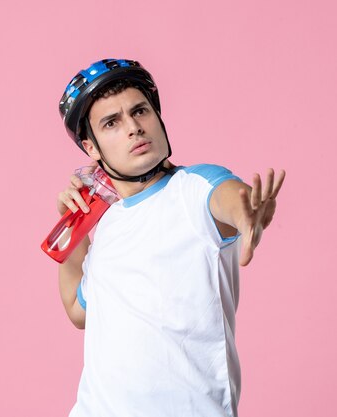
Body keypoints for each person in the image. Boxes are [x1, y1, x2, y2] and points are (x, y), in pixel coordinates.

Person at [55, 59, 285, 417]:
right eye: (112, 123)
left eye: (140, 111)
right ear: (91, 148)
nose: (133, 128)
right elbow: (77, 309)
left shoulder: (194, 188)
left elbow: (229, 199)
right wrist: (76, 222)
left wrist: (246, 216)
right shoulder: (110, 224)